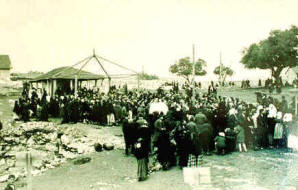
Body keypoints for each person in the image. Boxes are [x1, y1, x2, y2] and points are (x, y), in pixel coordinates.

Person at [134, 116, 150, 181]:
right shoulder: (146, 139)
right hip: (144, 154)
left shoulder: (138, 140)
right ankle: (144, 175)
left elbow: (136, 148)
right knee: (144, 164)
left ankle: (140, 176)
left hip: (140, 155)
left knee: (140, 165)